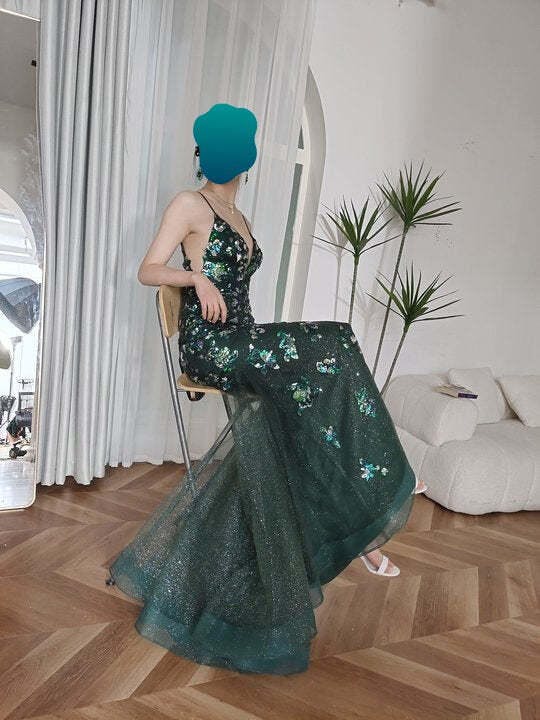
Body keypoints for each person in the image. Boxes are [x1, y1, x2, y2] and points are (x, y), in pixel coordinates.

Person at [107, 103, 419, 675]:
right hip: (213, 346)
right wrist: (195, 277)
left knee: (321, 376)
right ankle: (367, 498)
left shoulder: (238, 212)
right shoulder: (191, 203)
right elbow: (148, 269)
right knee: (335, 343)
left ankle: (353, 508)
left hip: (244, 337)